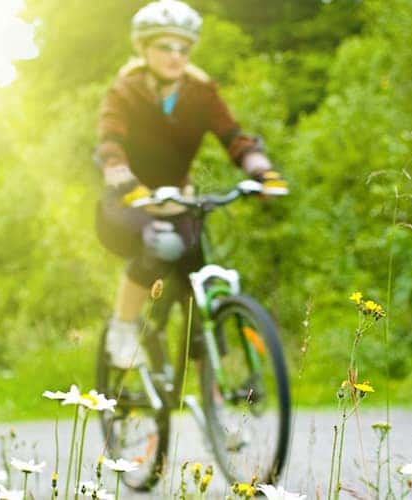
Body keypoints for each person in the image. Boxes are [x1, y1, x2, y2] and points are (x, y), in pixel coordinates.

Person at [94, 0, 283, 369]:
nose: (175, 56)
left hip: (177, 198)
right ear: (145, 48)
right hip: (128, 200)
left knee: (201, 287)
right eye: (165, 46)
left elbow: (234, 137)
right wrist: (122, 178)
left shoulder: (201, 92)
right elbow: (110, 143)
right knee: (162, 244)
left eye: (183, 48)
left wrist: (262, 172)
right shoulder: (125, 91)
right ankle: (123, 325)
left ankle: (214, 391)